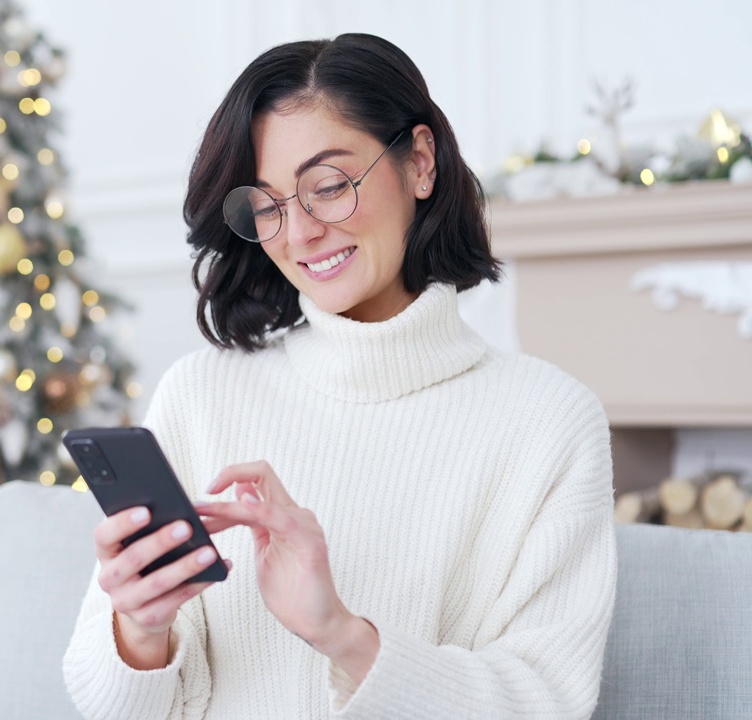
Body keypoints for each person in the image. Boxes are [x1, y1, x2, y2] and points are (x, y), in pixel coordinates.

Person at [62, 33, 616, 719]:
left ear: (420, 162)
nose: (297, 235)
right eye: (266, 206)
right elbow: (104, 702)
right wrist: (139, 631)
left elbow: (547, 701)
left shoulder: (550, 421)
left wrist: (343, 636)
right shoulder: (201, 394)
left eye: (327, 187)